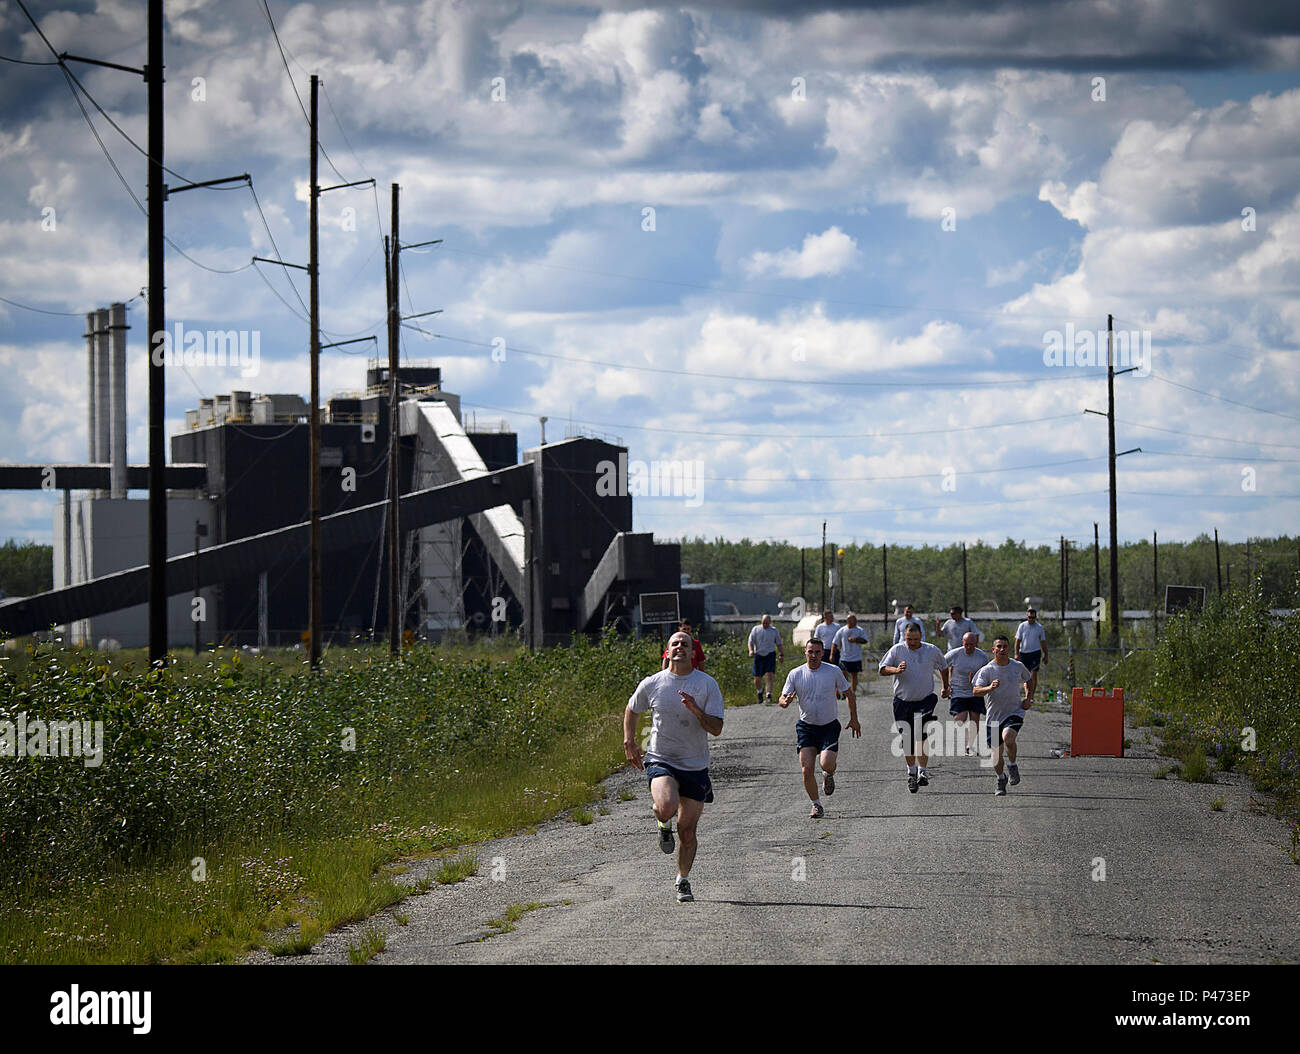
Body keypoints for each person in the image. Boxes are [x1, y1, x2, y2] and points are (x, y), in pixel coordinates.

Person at [626, 631, 725, 902]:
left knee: (688, 831)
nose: (680, 646)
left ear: (694, 652)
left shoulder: (707, 685)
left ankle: (683, 880)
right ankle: (662, 820)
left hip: (695, 765)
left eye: (686, 644)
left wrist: (696, 711)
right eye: (675, 643)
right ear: (667, 652)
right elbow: (632, 709)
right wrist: (629, 742)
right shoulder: (653, 683)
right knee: (667, 806)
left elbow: (716, 728)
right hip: (661, 758)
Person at [779, 637, 861, 818]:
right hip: (806, 728)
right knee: (806, 769)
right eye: (810, 652)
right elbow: (782, 698)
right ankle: (816, 805)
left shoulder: (833, 671)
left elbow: (849, 693)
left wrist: (854, 719)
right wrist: (785, 702)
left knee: (826, 764)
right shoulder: (796, 673)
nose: (814, 655)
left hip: (829, 726)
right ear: (805, 652)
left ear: (822, 653)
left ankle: (828, 774)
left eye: (817, 652)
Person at [878, 622, 949, 792]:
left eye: (916, 639)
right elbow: (882, 669)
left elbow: (944, 667)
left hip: (925, 700)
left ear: (921, 637)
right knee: (908, 739)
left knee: (920, 735)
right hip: (902, 701)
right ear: (904, 636)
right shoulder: (897, 649)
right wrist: (895, 670)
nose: (912, 643)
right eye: (909, 639)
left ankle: (922, 772)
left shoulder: (931, 650)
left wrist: (945, 686)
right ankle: (911, 773)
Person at [972, 635, 1032, 795]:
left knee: (1008, 738)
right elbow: (976, 690)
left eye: (1005, 646)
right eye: (998, 647)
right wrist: (989, 688)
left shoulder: (1017, 666)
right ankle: (1001, 777)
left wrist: (1028, 697)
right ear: (993, 650)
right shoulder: (987, 670)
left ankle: (1012, 765)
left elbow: (1029, 679)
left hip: (1014, 712)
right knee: (996, 756)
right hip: (994, 717)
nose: (1002, 649)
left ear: (1009, 649)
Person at [943, 631, 988, 756]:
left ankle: (970, 745)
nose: (969, 647)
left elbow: (987, 673)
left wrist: (978, 680)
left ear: (976, 643)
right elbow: (942, 666)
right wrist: (946, 686)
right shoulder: (955, 654)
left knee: (974, 719)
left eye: (972, 645)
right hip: (958, 690)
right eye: (966, 644)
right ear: (962, 643)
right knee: (960, 720)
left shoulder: (982, 656)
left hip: (975, 691)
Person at [1013, 608, 1048, 705]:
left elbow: (1043, 642)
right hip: (1024, 653)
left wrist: (1046, 654)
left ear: (1035, 617)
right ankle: (1027, 693)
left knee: (1033, 674)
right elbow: (1017, 641)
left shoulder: (1039, 627)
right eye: (1029, 617)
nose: (1030, 619)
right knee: (1025, 675)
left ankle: (1031, 695)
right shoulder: (1022, 626)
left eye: (1032, 617)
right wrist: (1016, 653)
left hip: (1035, 653)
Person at [748, 614, 784, 703]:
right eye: (764, 623)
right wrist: (751, 650)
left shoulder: (774, 631)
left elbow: (779, 643)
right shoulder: (756, 629)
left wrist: (781, 654)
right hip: (758, 655)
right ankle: (760, 692)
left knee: (769, 675)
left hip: (770, 655)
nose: (765, 625)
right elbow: (750, 641)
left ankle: (769, 694)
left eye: (767, 623)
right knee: (757, 678)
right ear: (761, 622)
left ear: (770, 622)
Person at [832, 613, 869, 697]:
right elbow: (835, 642)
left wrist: (856, 639)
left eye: (855, 620)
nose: (855, 622)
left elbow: (865, 640)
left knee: (854, 675)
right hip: (844, 656)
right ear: (848, 621)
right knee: (843, 674)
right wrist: (832, 654)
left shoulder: (859, 630)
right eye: (852, 620)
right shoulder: (842, 630)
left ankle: (853, 692)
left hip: (856, 657)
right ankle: (846, 692)